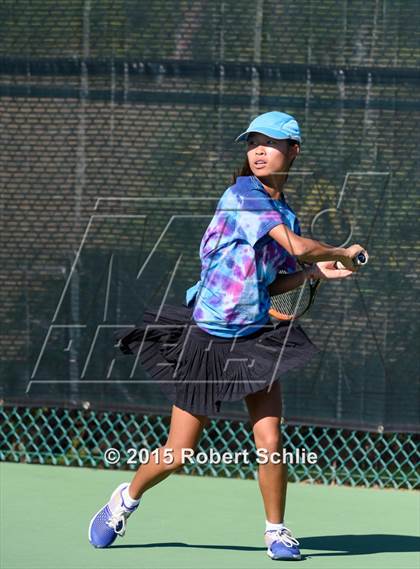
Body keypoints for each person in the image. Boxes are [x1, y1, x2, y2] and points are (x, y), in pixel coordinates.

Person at [88, 111, 368, 560]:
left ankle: (276, 531)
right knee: (178, 453)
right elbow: (295, 248)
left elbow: (274, 279)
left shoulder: (286, 214)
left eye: (270, 142)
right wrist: (338, 250)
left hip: (255, 339)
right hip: (207, 338)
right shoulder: (243, 195)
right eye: (252, 142)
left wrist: (315, 272)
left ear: (293, 151)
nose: (258, 150)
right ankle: (125, 499)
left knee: (271, 442)